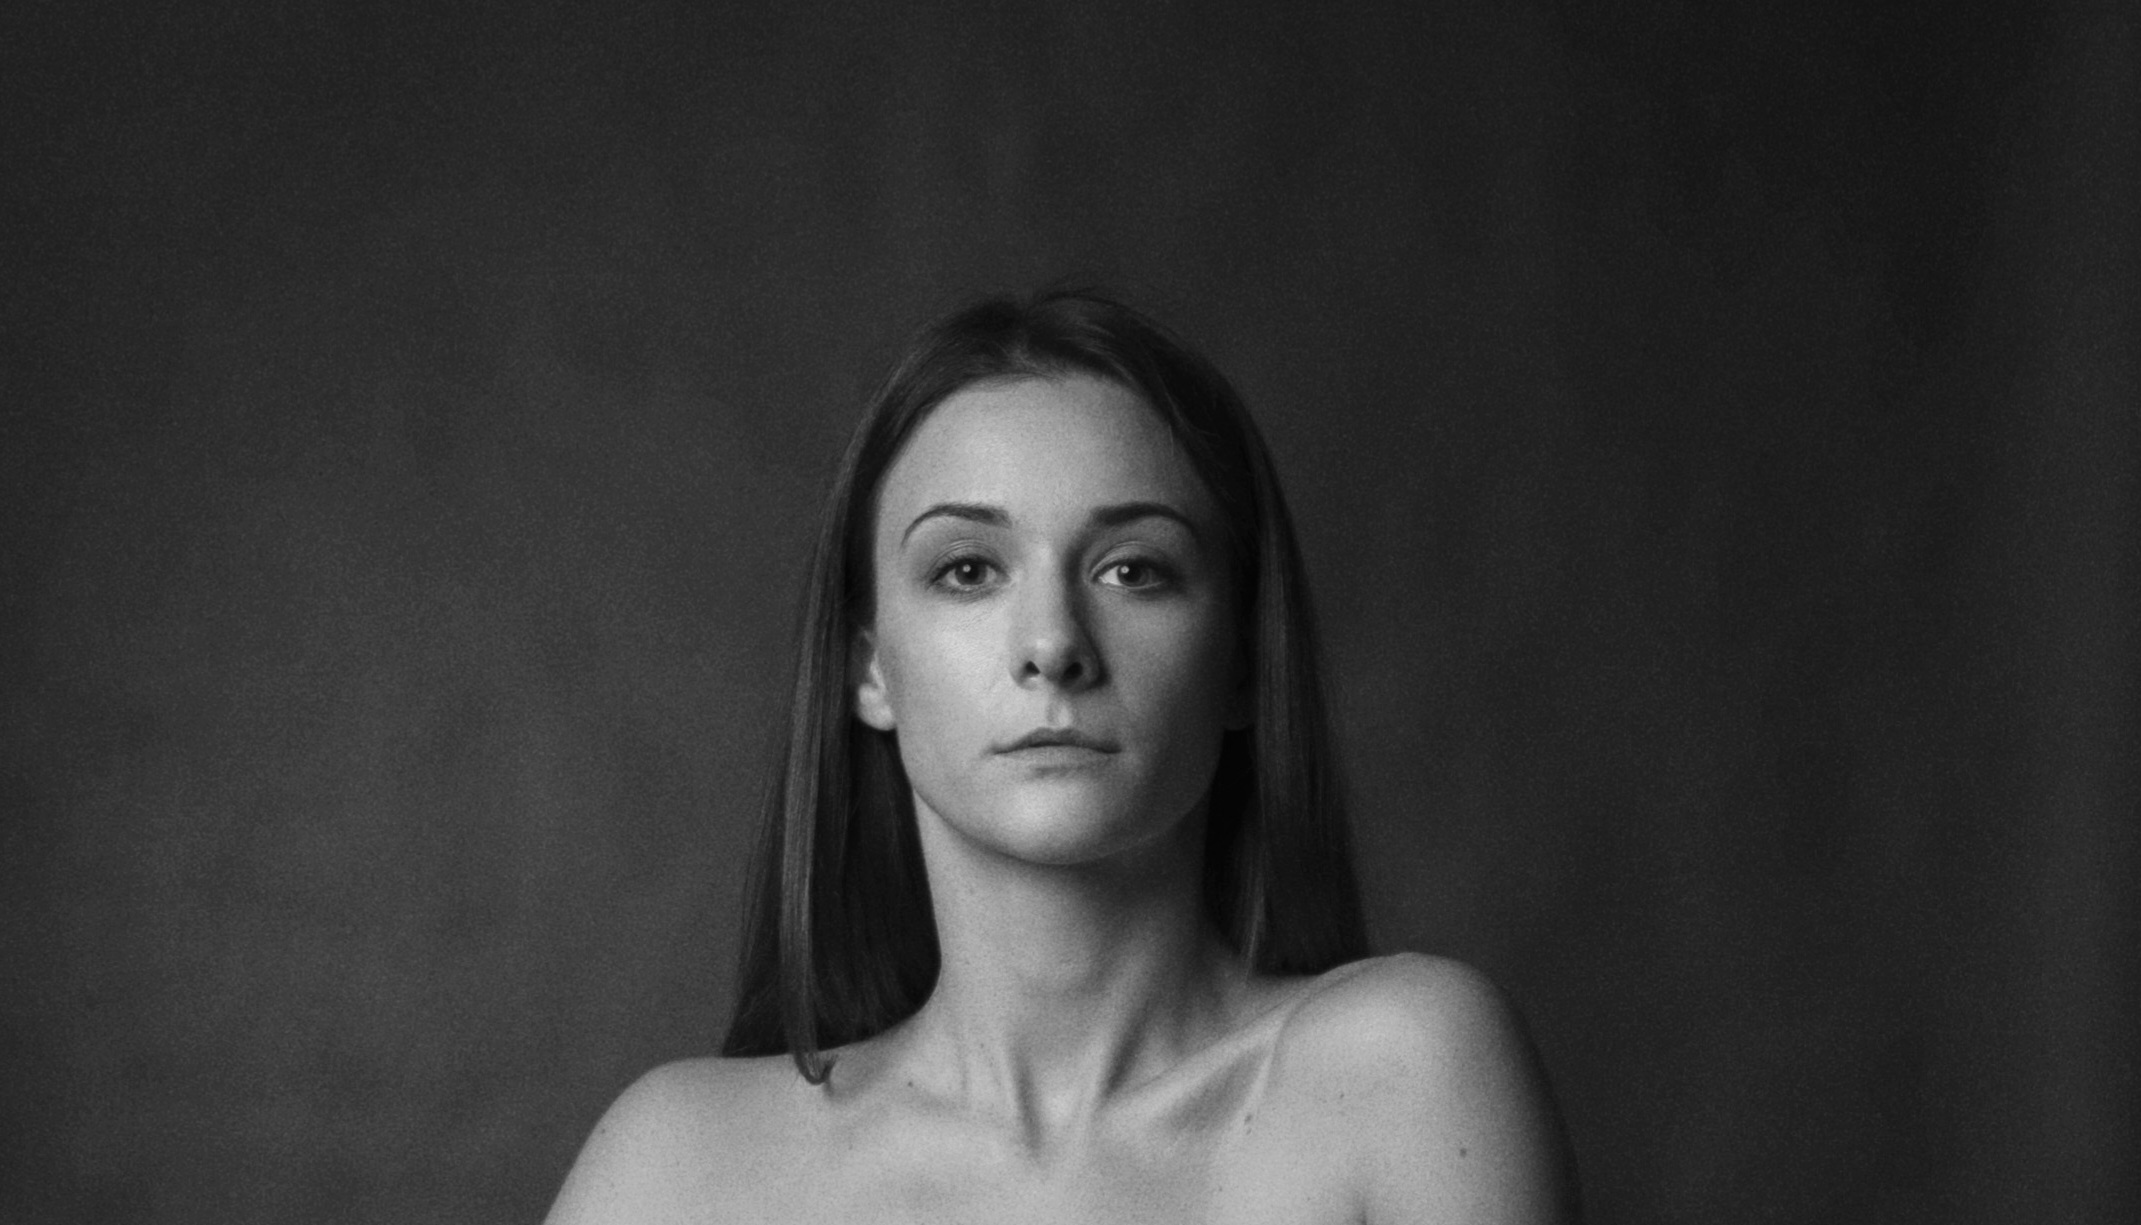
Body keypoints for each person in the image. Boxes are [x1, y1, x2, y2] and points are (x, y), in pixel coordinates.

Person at [544, 289, 1578, 1223]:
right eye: (966, 569)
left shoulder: (1402, 1075)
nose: (1051, 643)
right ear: (871, 670)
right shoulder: (681, 1162)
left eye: (1133, 569)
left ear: (1238, 665)